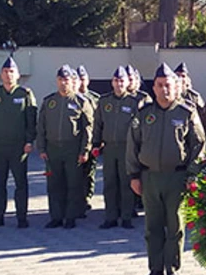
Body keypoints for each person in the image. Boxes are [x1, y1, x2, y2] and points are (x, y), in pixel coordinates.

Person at [128, 63, 205, 275]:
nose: (164, 90)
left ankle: (172, 268)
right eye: (160, 85)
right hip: (150, 178)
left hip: (177, 178)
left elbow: (199, 145)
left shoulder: (186, 112)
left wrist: (192, 174)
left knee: (175, 225)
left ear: (177, 87)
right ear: (154, 88)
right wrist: (134, 174)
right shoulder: (144, 114)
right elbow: (133, 145)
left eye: (168, 85)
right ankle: (155, 268)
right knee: (152, 226)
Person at [0, 57, 37, 229]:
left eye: (12, 71)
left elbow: (31, 120)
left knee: (20, 183)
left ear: (18, 75)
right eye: (5, 71)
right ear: (0, 74)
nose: (8, 75)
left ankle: (22, 217)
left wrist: (29, 141)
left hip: (18, 146)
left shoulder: (25, 94)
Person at [37, 65, 94, 230]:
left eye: (66, 80)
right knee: (54, 184)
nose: (63, 83)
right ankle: (56, 216)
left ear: (72, 81)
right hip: (53, 149)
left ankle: (70, 217)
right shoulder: (49, 102)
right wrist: (41, 148)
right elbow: (41, 126)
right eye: (61, 80)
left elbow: (88, 128)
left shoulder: (81, 102)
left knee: (73, 184)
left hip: (72, 149)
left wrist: (85, 150)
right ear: (57, 81)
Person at [94, 66, 148, 229]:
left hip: (128, 148)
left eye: (122, 81)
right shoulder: (104, 101)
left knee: (126, 183)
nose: (119, 84)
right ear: (112, 82)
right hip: (110, 148)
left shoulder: (134, 102)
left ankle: (126, 217)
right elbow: (98, 123)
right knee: (109, 183)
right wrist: (96, 143)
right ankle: (110, 216)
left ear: (127, 83)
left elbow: (142, 127)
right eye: (116, 81)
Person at [76, 66, 100, 215]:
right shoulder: (72, 98)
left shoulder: (95, 98)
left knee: (89, 172)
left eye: (84, 79)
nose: (82, 82)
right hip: (76, 141)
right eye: (79, 79)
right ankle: (77, 200)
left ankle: (86, 198)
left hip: (92, 140)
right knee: (76, 173)